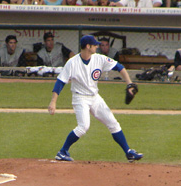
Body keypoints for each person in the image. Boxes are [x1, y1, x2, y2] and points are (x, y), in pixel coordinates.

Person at [48, 34, 143, 163]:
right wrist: (53, 101)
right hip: (80, 98)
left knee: (113, 123)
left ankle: (128, 152)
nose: (97, 46)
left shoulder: (99, 59)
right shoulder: (72, 63)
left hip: (95, 97)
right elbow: (60, 82)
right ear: (88, 46)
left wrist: (129, 84)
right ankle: (62, 151)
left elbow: (119, 67)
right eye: (94, 45)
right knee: (83, 127)